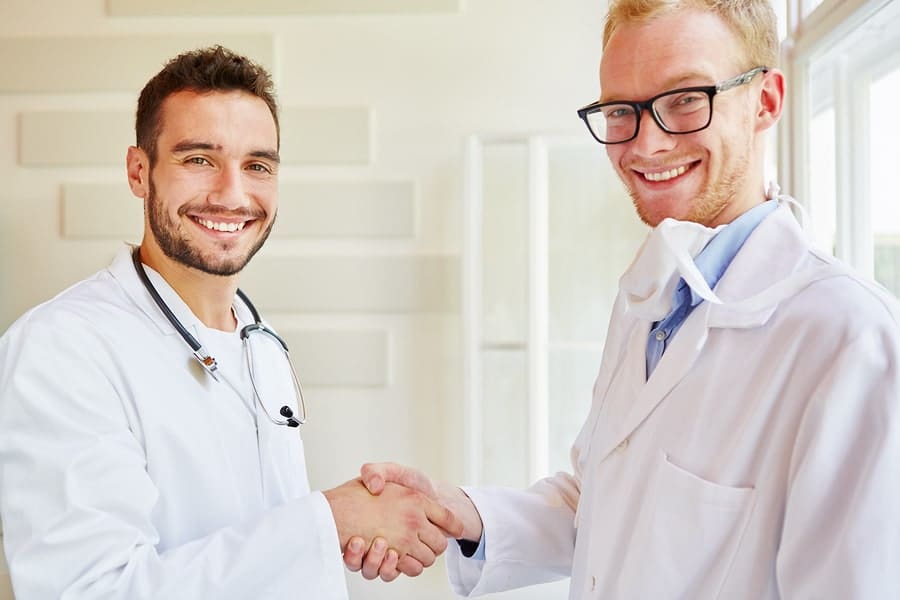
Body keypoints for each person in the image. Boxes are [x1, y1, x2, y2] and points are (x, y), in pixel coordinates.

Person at [350, 0, 900, 597]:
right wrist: (462, 514)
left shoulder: (849, 338)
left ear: (765, 101)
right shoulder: (654, 297)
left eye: (686, 99)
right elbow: (606, 500)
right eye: (621, 110)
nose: (646, 144)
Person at [0, 45, 461, 599]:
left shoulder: (258, 341)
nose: (232, 194)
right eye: (199, 159)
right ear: (138, 171)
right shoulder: (61, 349)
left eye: (257, 166)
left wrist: (343, 530)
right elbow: (92, 591)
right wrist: (329, 521)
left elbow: (265, 547)